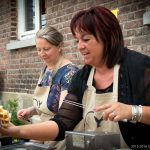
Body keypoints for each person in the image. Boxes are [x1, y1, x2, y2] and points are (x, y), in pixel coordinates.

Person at [0, 6, 150, 149]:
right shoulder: (82, 77)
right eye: (77, 40)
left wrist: (134, 111)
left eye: (86, 39)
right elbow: (62, 124)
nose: (79, 46)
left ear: (108, 37)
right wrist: (16, 131)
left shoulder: (140, 67)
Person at [16, 26, 79, 149]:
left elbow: (63, 115)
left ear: (60, 46)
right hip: (43, 134)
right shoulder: (46, 69)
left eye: (46, 49)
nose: (41, 54)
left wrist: (34, 135)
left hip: (58, 139)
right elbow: (48, 102)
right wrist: (30, 111)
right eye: (38, 49)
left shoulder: (69, 73)